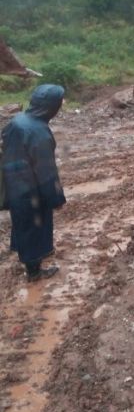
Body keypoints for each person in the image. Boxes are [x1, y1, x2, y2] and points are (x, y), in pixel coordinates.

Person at [1, 84, 66, 282]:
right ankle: (34, 272)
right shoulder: (39, 133)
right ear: (51, 107)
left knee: (21, 222)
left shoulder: (18, 120)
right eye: (59, 103)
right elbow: (47, 173)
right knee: (35, 227)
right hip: (31, 190)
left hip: (12, 182)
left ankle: (22, 250)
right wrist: (56, 198)